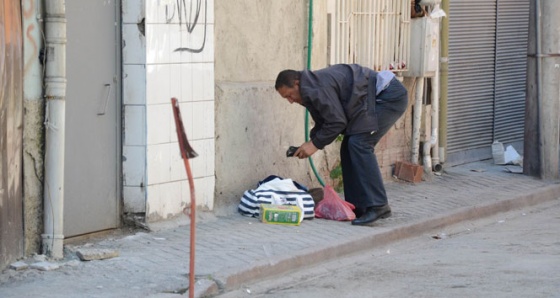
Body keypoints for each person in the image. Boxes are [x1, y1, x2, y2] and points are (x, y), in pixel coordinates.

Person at [275, 64, 408, 226]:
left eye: (289, 95)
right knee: (348, 147)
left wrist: (314, 144)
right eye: (286, 99)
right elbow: (325, 120)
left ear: (296, 83)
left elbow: (337, 122)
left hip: (387, 96)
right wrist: (309, 143)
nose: (290, 101)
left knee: (360, 143)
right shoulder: (308, 89)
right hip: (374, 99)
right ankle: (357, 206)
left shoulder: (314, 88)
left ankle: (378, 205)